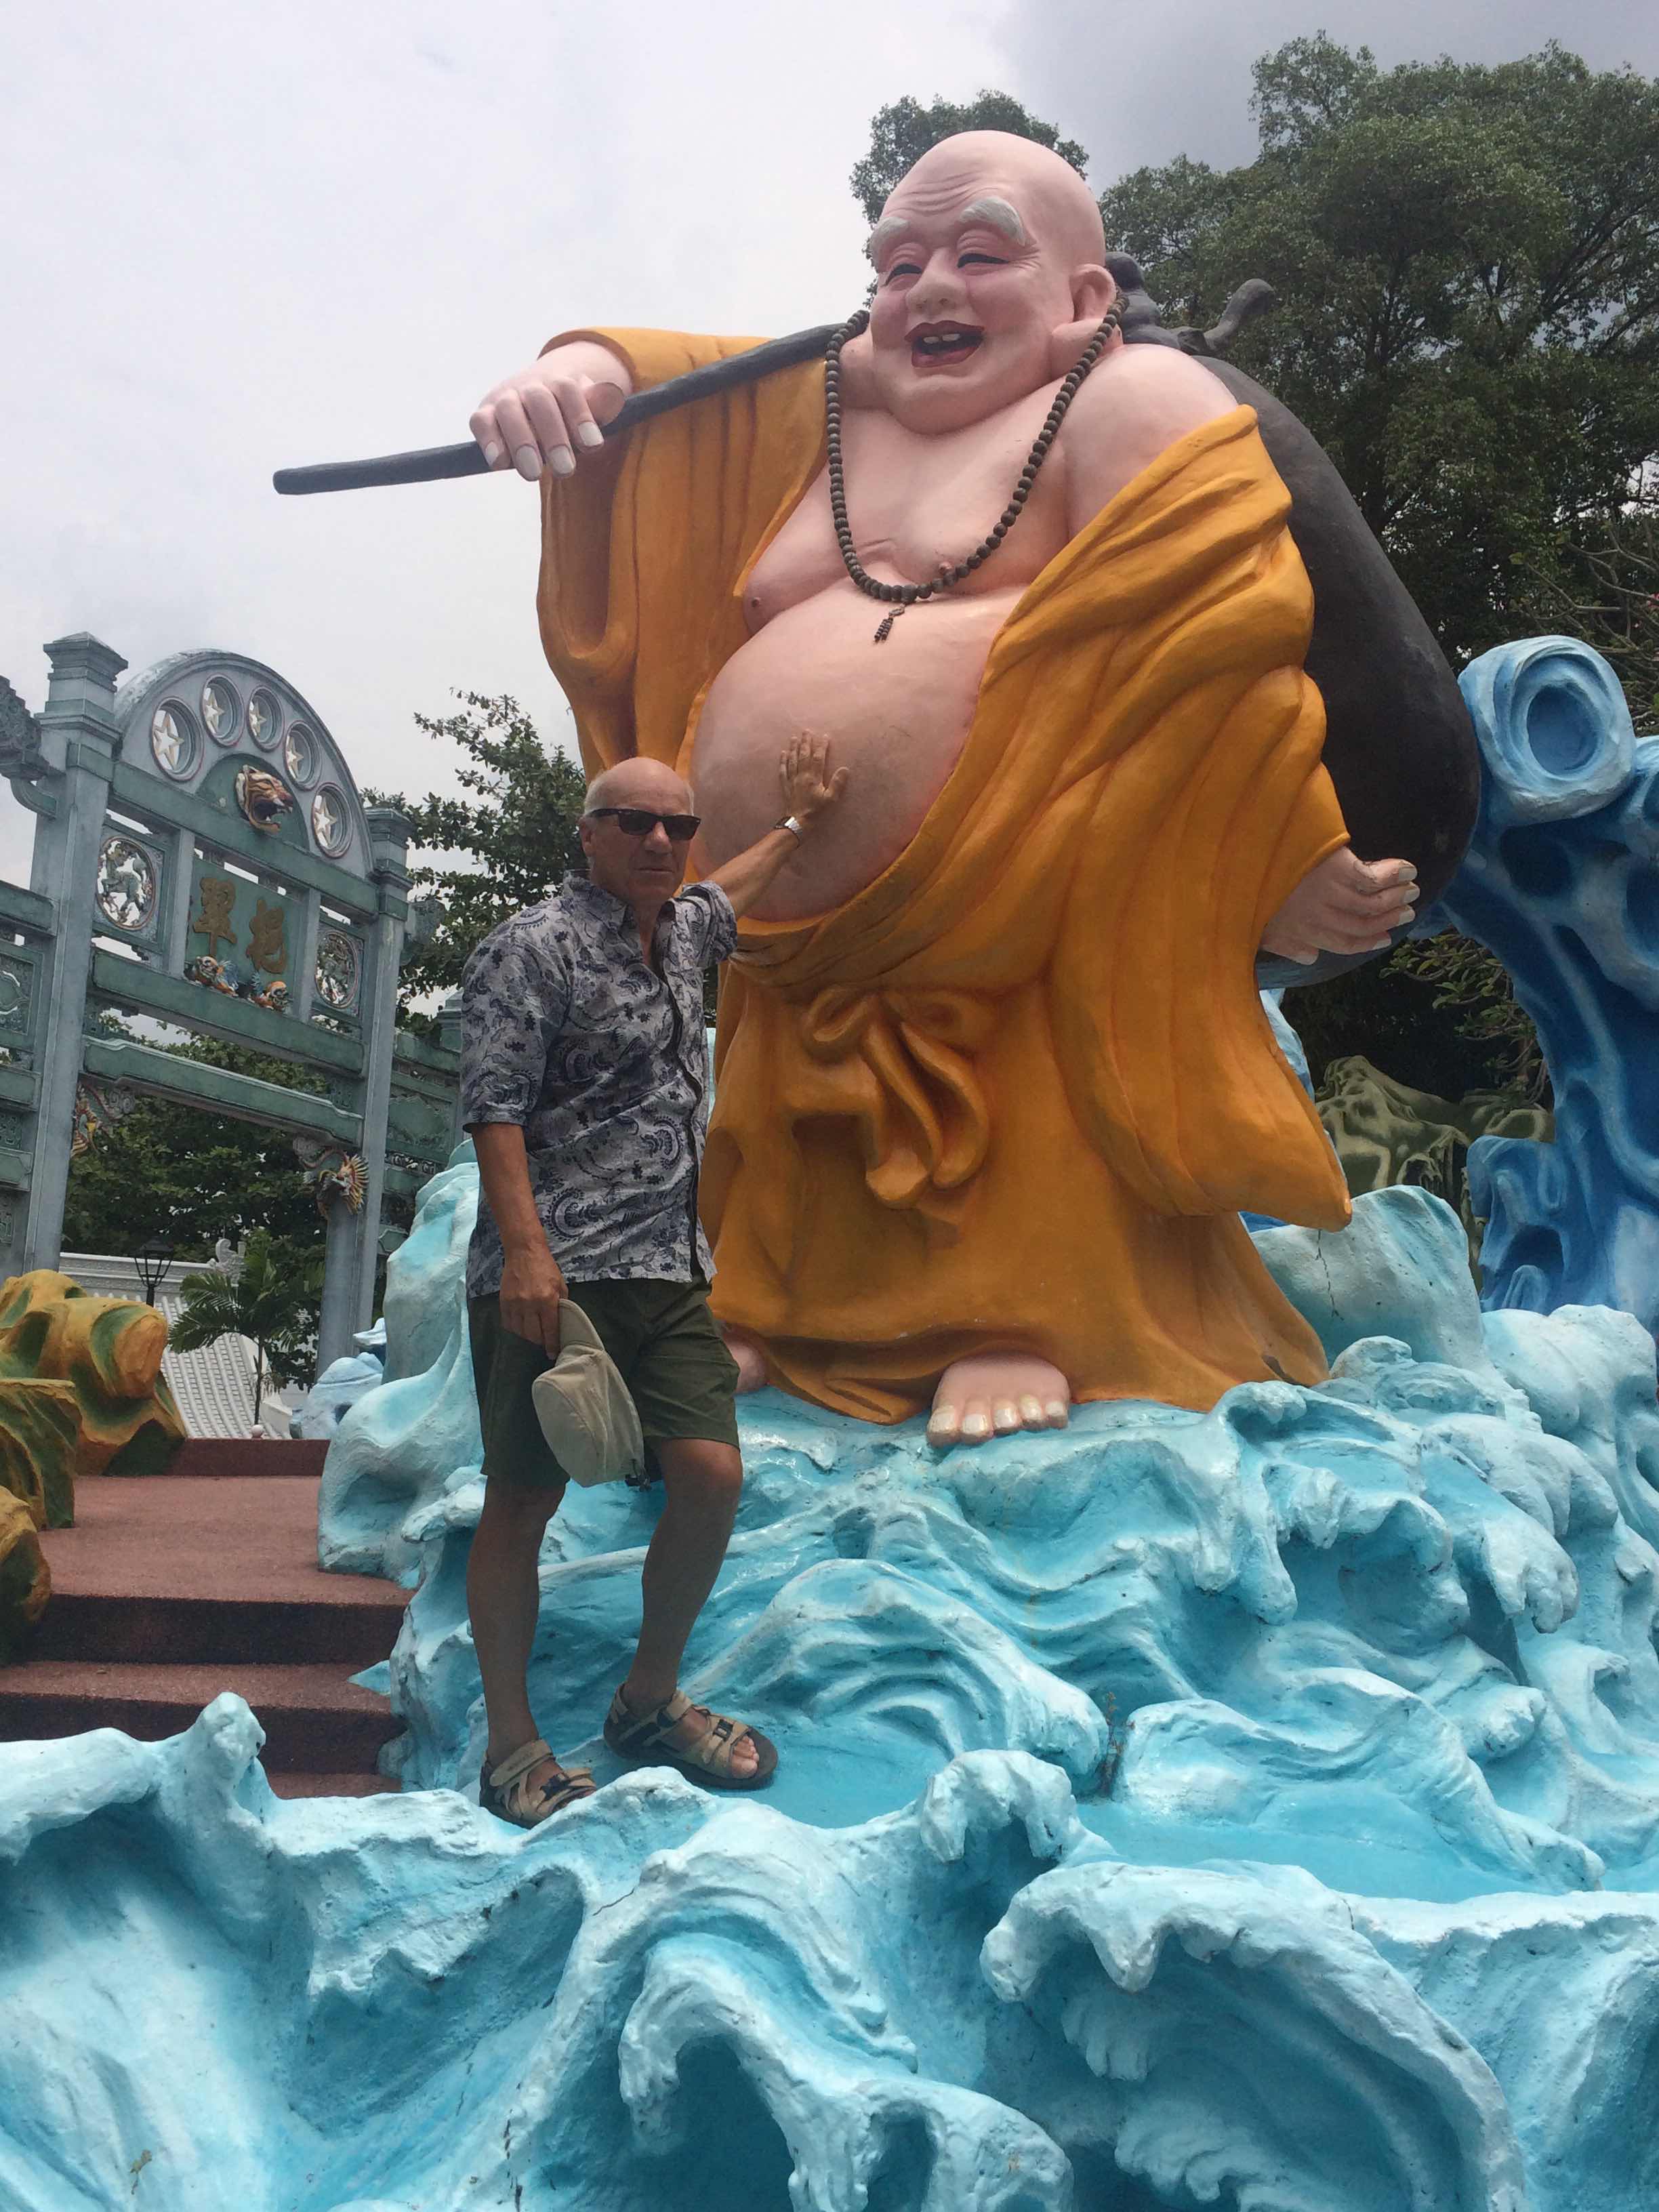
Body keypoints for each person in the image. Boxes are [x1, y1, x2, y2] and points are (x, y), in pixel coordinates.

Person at [467, 131, 1420, 1448]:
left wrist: (1274, 849)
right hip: (779, 926)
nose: (929, 289)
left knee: (1018, 1105)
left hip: (1014, 882)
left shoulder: (1123, 402)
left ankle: (1025, 1320)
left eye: (980, 254)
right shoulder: (823, 408)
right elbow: (679, 392)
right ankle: (774, 1309)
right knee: (783, 1132)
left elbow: (1211, 642)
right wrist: (581, 374)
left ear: (1084, 297)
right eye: (898, 264)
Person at [462, 736, 847, 1828]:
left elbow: (735, 893)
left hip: (670, 1267)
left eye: (678, 824)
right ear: (588, 834)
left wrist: (802, 822)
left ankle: (646, 1701)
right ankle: (511, 1746)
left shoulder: (683, 931)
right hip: (557, 1269)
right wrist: (526, 1252)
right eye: (634, 821)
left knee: (711, 1474)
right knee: (523, 1500)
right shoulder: (531, 948)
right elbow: (493, 1107)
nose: (660, 840)